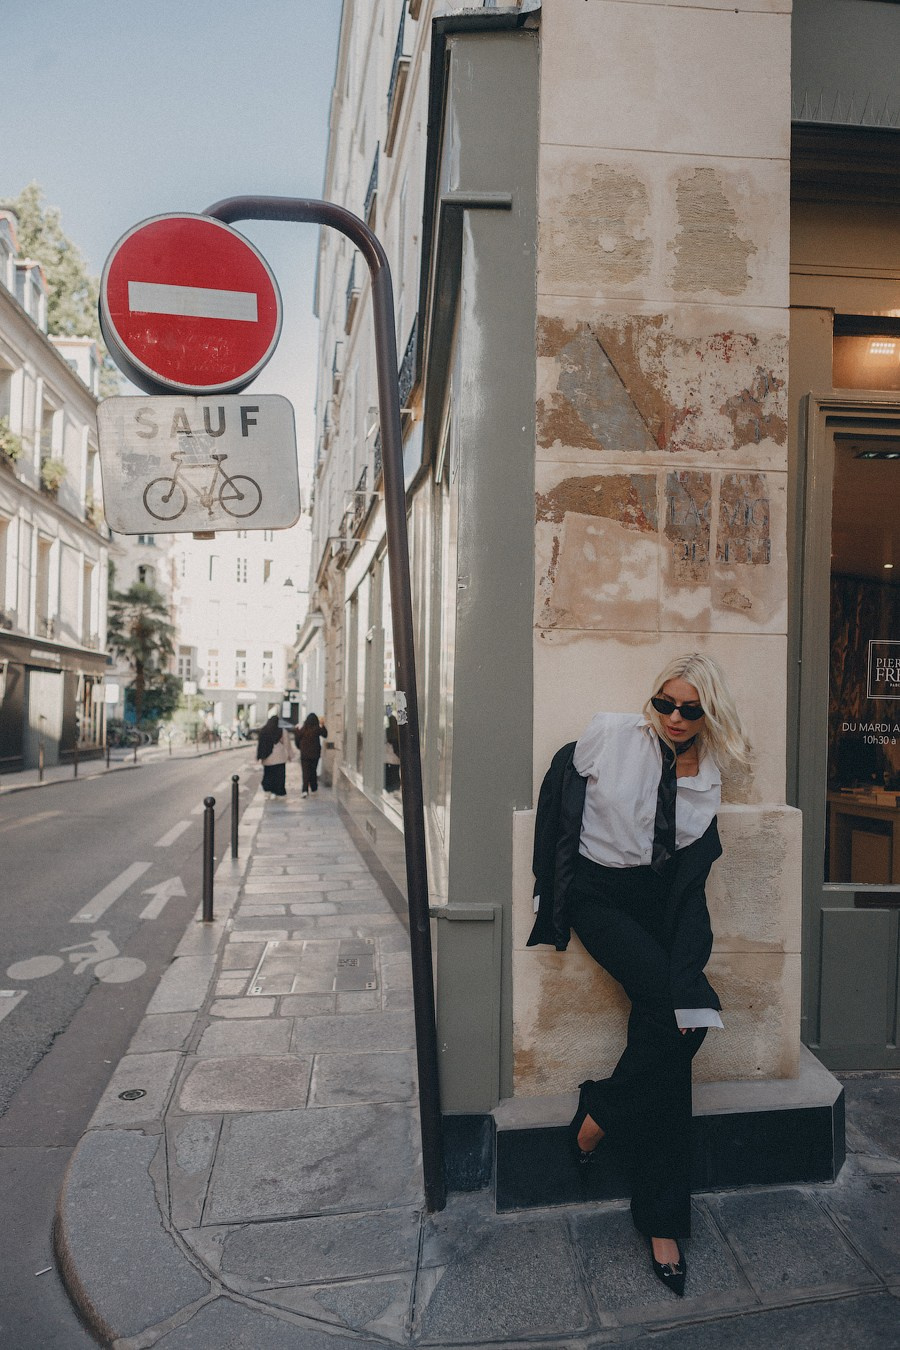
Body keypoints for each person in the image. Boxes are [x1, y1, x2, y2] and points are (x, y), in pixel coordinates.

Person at [529, 653, 750, 1298]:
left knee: (679, 1030)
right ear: (652, 700)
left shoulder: (708, 775)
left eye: (689, 709)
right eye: (664, 703)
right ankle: (662, 1223)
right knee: (676, 1018)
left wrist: (689, 945)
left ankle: (603, 1118)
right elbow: (554, 809)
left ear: (709, 713)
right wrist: (550, 893)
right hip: (599, 897)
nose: (674, 718)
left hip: (661, 907)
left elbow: (690, 873)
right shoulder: (609, 736)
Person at [256, 713, 294, 799]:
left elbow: (260, 745)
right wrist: (290, 755)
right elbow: (287, 745)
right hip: (279, 758)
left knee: (268, 775)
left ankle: (268, 791)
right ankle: (279, 792)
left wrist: (259, 756)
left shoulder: (264, 731)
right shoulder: (282, 731)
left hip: (267, 758)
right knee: (279, 776)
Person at [293, 713, 327, 797]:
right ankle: (314, 788)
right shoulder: (317, 729)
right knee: (313, 771)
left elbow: (297, 740)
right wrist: (323, 725)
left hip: (304, 754)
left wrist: (300, 747)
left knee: (305, 772)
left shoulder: (303, 730)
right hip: (315, 754)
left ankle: (305, 790)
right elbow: (325, 734)